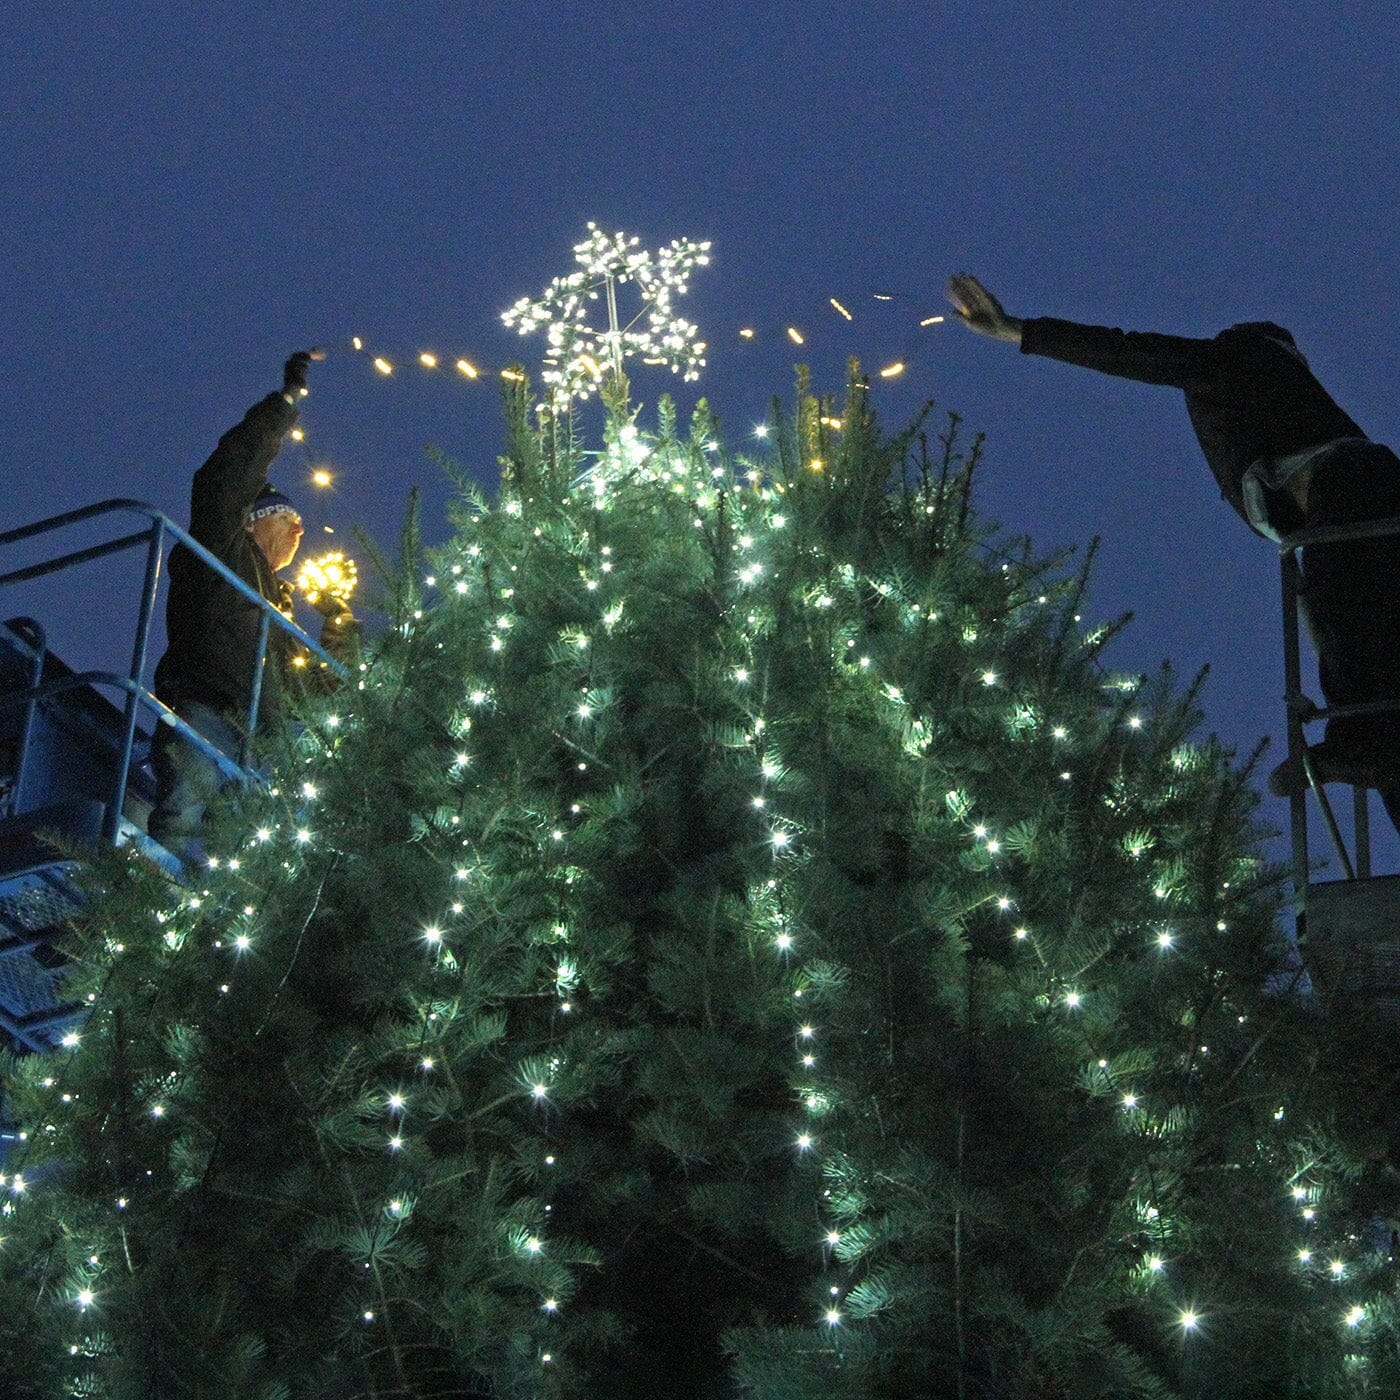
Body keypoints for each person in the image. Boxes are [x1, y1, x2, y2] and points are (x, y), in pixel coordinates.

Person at [945, 274, 1400, 830]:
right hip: (1367, 490)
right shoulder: (1295, 409)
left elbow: (1135, 351)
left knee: (1357, 631)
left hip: (1356, 487)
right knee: (1367, 639)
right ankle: (1365, 744)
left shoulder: (1241, 358)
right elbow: (1319, 599)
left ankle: (1361, 742)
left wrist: (1020, 332)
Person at [147, 351, 356, 859]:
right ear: (252, 521)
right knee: (187, 796)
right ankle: (154, 884)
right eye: (288, 517)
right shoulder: (221, 552)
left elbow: (318, 692)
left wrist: (337, 621)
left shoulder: (277, 616)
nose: (301, 528)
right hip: (208, 707)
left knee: (247, 844)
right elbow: (226, 475)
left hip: (262, 735)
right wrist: (285, 405)